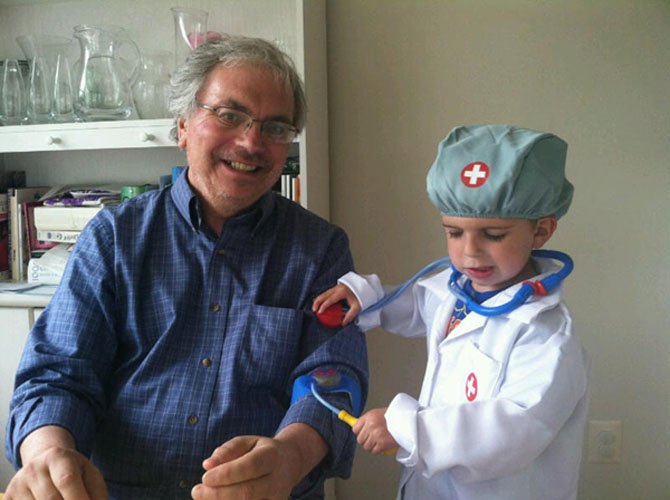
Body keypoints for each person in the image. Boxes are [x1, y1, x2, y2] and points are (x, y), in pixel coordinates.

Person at [5, 35, 368, 500]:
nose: (252, 141)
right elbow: (59, 370)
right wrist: (47, 455)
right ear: (182, 125)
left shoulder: (320, 248)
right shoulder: (114, 236)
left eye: (276, 127)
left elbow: (333, 375)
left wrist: (291, 455)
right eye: (230, 115)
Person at [313, 124, 590, 499]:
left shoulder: (546, 337)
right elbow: (418, 306)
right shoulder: (454, 287)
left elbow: (515, 429)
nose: (470, 252)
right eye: (454, 233)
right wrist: (369, 297)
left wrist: (410, 430)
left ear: (541, 231)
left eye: (493, 235)